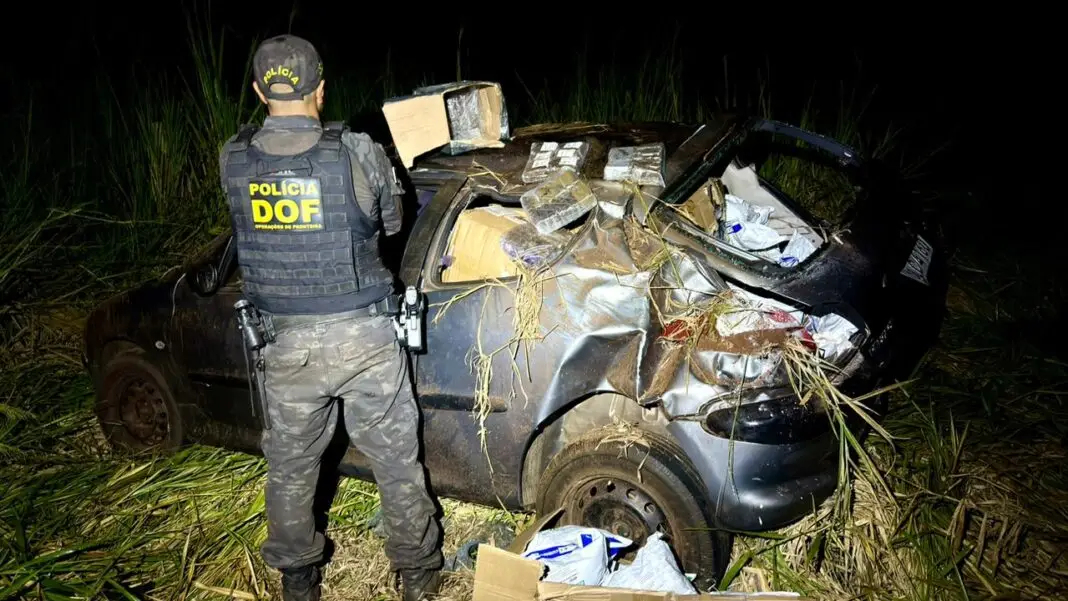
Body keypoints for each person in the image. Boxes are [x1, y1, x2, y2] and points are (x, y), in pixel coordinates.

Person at [216, 34, 444, 601]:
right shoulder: (357, 150)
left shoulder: (234, 158)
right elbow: (392, 223)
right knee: (396, 461)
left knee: (291, 468)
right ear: (321, 89)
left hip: (285, 345)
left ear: (258, 91)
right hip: (365, 337)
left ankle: (298, 581)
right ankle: (417, 574)